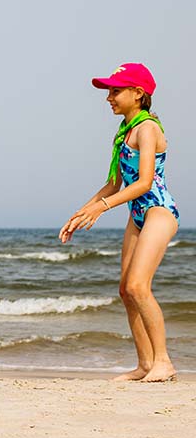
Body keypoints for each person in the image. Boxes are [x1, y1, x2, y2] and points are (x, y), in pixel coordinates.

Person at [59, 62, 179, 382]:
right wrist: (81, 213)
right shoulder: (125, 131)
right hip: (137, 215)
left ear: (138, 93)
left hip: (158, 211)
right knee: (126, 290)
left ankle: (164, 362)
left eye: (115, 91)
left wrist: (101, 209)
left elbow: (144, 182)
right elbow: (114, 183)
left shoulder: (147, 128)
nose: (109, 97)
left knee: (139, 286)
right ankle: (145, 364)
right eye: (109, 91)